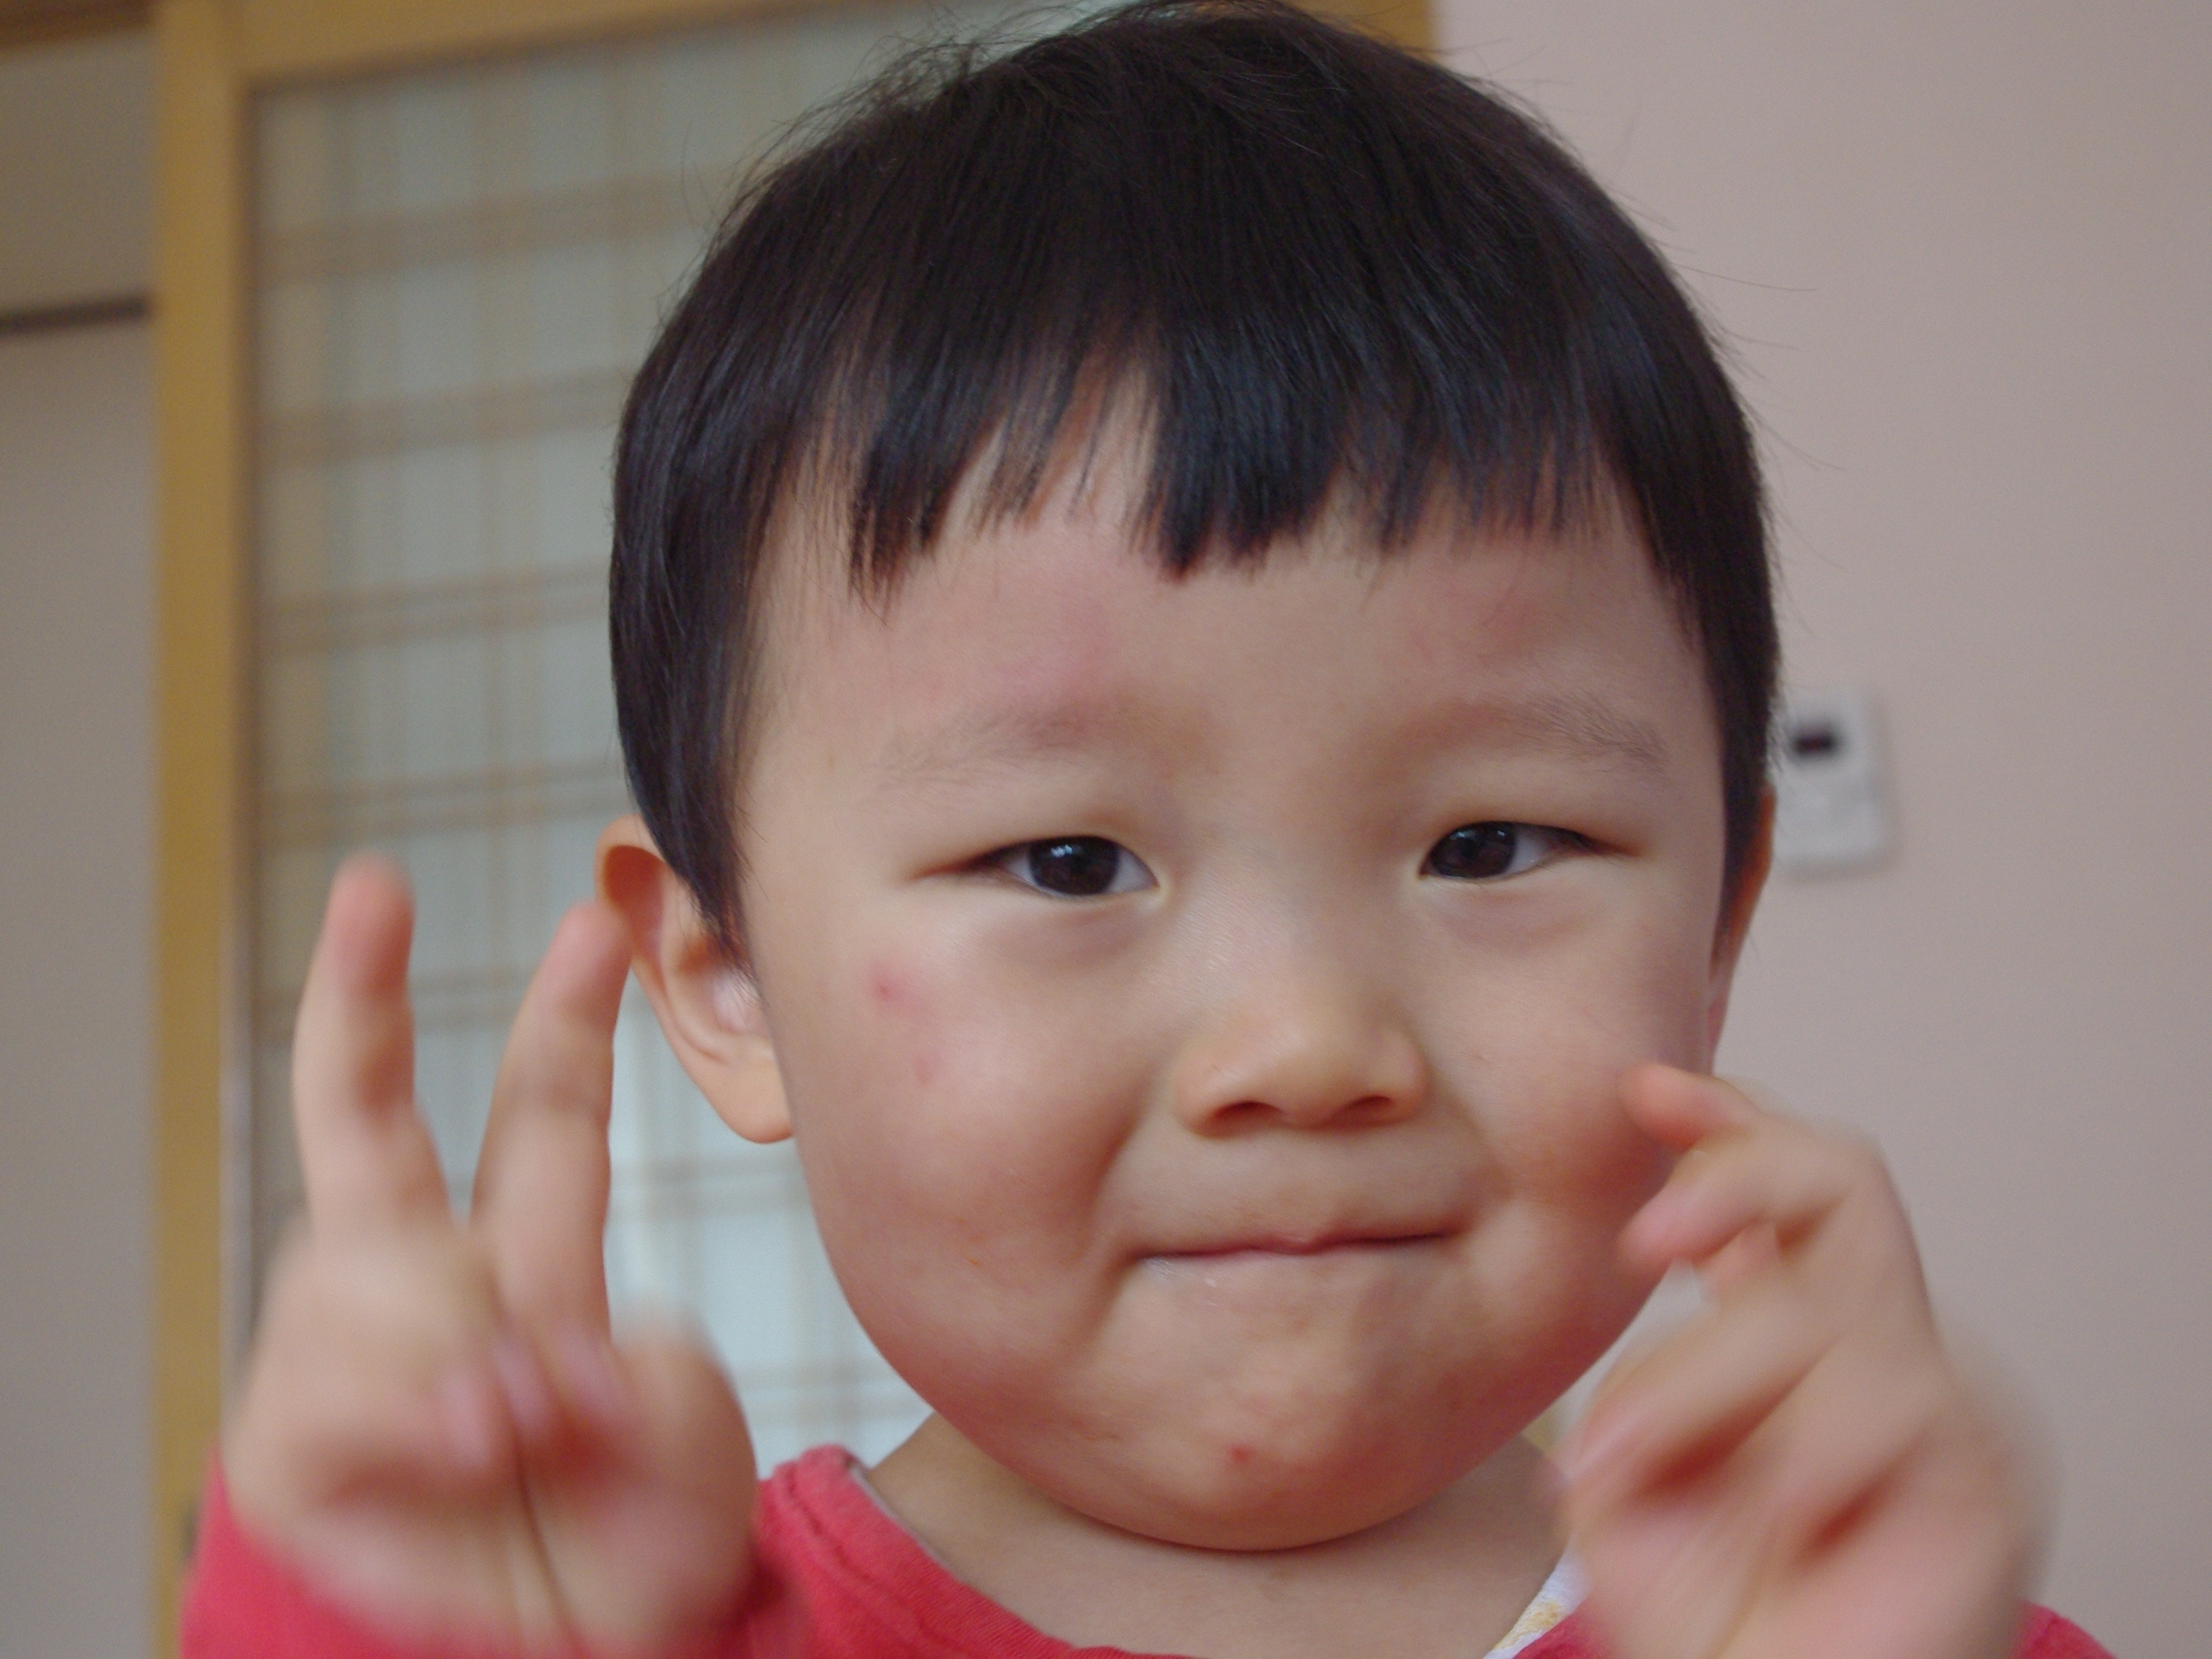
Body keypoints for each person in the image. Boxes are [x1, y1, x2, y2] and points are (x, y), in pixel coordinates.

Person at [184, 4, 2110, 1656]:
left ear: (1721, 921)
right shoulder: (589, 1636)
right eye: (1069, 863)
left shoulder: (1874, 1621)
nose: (1308, 1046)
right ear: (727, 976)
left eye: (1490, 846)